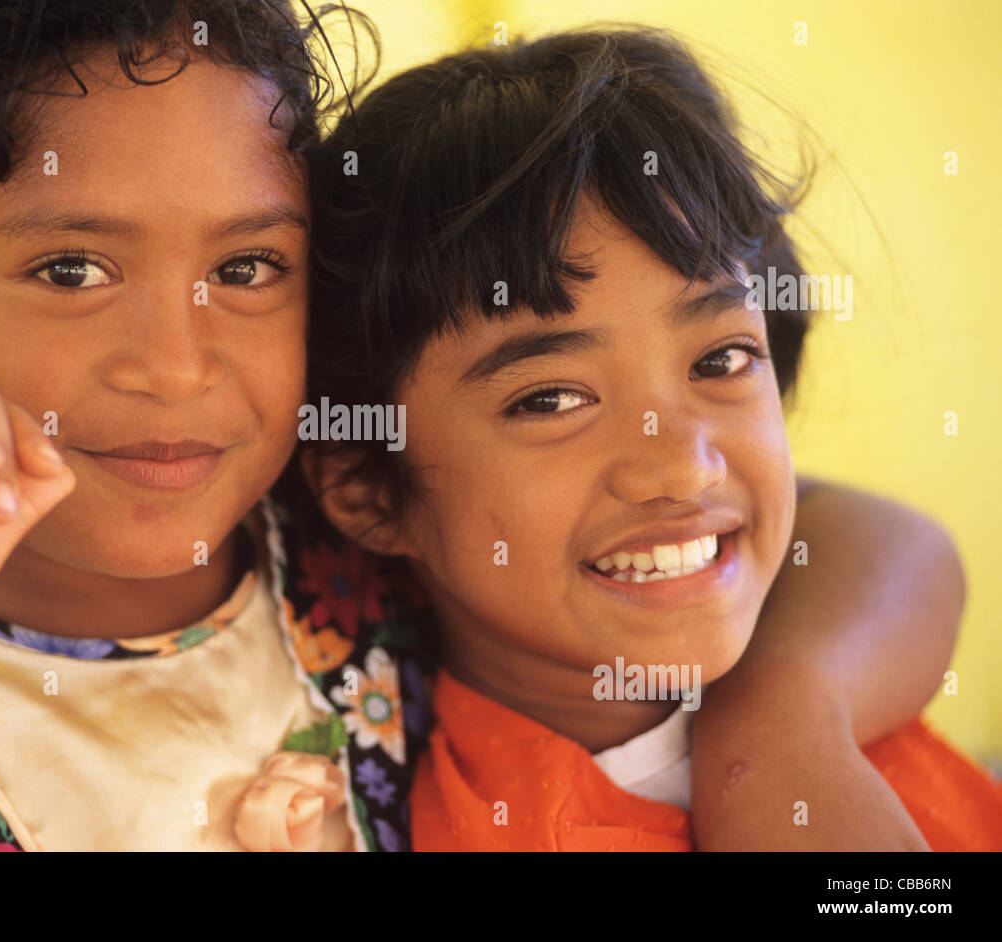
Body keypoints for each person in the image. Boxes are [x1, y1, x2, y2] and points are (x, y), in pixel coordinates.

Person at [301, 25, 998, 850]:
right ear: (368, 488)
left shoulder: (795, 643)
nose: (682, 465)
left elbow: (902, 547)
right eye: (552, 398)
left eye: (723, 357)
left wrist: (777, 726)